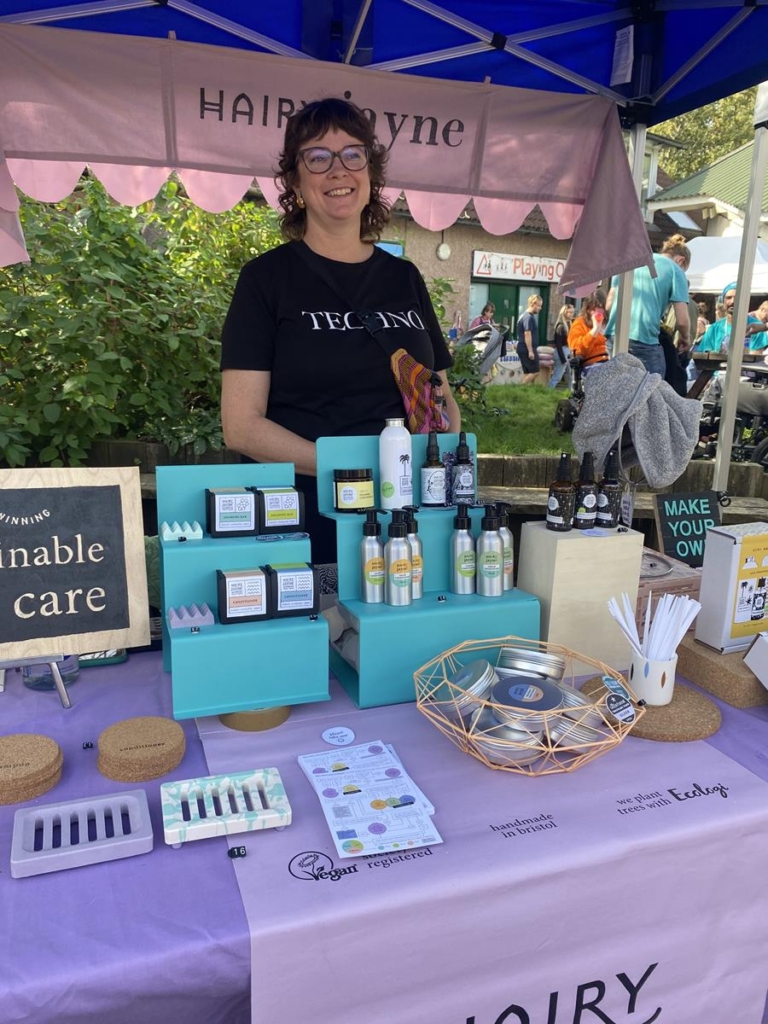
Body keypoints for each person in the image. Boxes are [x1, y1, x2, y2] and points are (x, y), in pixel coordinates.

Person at [220, 97, 460, 582]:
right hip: (303, 523)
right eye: (318, 157)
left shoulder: (405, 277)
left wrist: (435, 468)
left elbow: (442, 401)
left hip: (406, 524)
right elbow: (241, 426)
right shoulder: (265, 280)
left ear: (371, 173)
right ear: (294, 180)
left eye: (353, 155)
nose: (338, 170)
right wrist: (355, 475)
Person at [604, 233, 691, 377]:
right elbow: (682, 321)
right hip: (643, 337)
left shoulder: (630, 262)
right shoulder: (676, 271)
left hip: (615, 334)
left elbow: (609, 305)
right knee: (653, 388)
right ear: (681, 260)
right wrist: (685, 338)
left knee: (619, 389)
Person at [696, 282, 767, 353]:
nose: (733, 301)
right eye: (728, 298)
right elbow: (705, 354)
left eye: (737, 297)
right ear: (722, 301)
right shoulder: (714, 328)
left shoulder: (756, 327)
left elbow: (756, 356)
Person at [567, 290, 609, 377]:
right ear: (587, 309)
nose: (596, 312)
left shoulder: (611, 322)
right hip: (593, 364)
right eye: (593, 309)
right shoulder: (580, 323)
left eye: (600, 308)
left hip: (612, 361)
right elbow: (576, 349)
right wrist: (594, 331)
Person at [516, 294, 543, 384]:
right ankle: (519, 389)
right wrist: (530, 351)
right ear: (532, 304)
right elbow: (527, 334)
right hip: (527, 347)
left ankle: (521, 393)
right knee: (535, 371)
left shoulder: (524, 315)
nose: (540, 308)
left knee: (527, 372)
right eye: (538, 305)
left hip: (522, 347)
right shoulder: (528, 317)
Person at [549, 303, 575, 389]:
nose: (572, 314)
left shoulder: (568, 324)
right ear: (564, 313)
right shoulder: (561, 326)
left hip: (566, 352)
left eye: (572, 312)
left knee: (569, 376)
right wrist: (563, 359)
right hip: (561, 353)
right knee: (557, 377)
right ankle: (547, 393)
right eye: (570, 312)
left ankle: (569, 394)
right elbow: (558, 344)